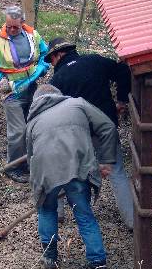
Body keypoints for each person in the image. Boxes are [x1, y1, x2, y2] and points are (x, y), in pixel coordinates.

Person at [26, 84, 117, 269]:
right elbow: (108, 127)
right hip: (78, 170)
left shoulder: (33, 122)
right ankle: (98, 266)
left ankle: (50, 257)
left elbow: (29, 159)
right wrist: (106, 160)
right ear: (58, 95)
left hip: (46, 173)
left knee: (47, 210)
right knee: (84, 216)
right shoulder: (78, 104)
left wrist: (39, 188)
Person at [46, 38, 134, 229]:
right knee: (117, 172)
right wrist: (121, 100)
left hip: (78, 132)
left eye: (50, 60)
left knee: (63, 168)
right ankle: (133, 222)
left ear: (58, 55)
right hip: (105, 128)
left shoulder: (57, 80)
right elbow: (123, 70)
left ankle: (59, 213)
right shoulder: (95, 61)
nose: (52, 65)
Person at [0, 6, 49, 183]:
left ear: (22, 23)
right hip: (10, 92)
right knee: (18, 131)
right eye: (8, 26)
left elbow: (45, 54)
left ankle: (30, 161)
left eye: (15, 27)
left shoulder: (33, 35)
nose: (11, 30)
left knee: (34, 126)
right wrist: (0, 80)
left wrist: (41, 68)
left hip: (32, 88)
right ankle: (14, 167)